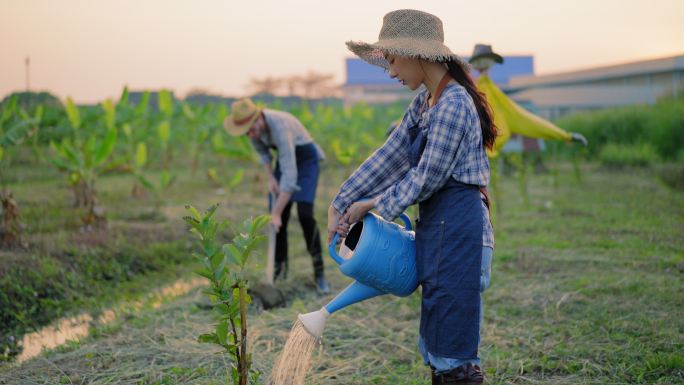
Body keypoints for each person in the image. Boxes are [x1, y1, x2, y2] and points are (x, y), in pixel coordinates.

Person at [327, 10, 495, 384]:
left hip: (461, 229)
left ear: (416, 54)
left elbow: (426, 178)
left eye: (392, 60)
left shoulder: (453, 104)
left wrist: (370, 206)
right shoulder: (424, 104)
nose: (390, 72)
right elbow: (389, 156)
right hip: (438, 226)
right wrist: (341, 202)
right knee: (437, 332)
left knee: (453, 348)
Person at [224, 98, 330, 294]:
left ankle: (320, 274)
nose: (251, 134)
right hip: (284, 160)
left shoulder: (280, 127)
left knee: (305, 214)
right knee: (279, 223)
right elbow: (265, 155)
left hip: (305, 159)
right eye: (246, 132)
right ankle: (279, 274)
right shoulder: (254, 131)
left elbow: (290, 179)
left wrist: (276, 212)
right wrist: (271, 177)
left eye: (251, 129)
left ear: (259, 117)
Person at [468, 44, 587, 157]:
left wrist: (565, 136)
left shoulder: (491, 92)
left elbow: (528, 121)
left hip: (480, 154)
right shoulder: (474, 89)